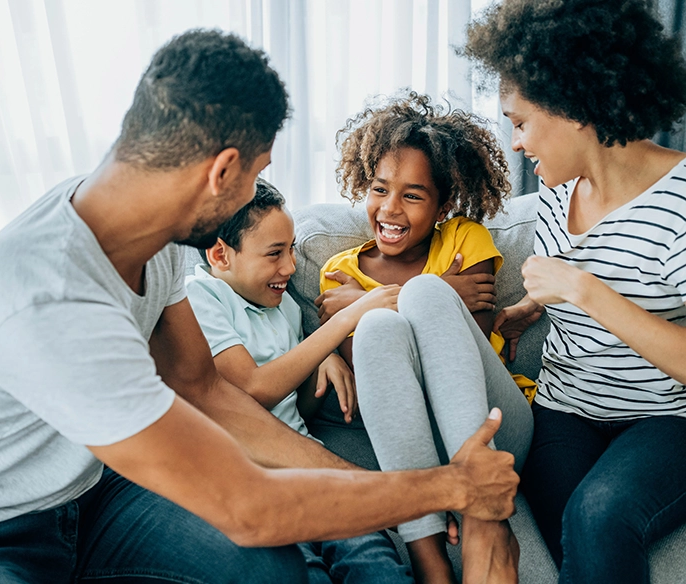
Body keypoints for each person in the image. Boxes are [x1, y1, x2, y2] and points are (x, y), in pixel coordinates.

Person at [0, 29, 520, 584]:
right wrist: (449, 487)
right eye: (256, 175)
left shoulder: (144, 238)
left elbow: (204, 390)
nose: (252, 193)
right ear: (223, 170)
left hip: (93, 491)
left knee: (273, 574)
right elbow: (248, 507)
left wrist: (364, 488)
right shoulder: (48, 298)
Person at [462, 1, 686, 582]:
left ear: (573, 106)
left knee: (599, 514)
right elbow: (589, 278)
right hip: (564, 411)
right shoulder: (557, 198)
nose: (514, 144)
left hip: (667, 420)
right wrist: (523, 310)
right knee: (580, 539)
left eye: (520, 121)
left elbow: (591, 285)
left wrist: (584, 290)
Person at [315, 93, 534, 584]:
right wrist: (400, 299)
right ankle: (428, 556)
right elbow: (377, 376)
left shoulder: (464, 239)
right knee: (377, 326)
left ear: (443, 204)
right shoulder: (338, 271)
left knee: (418, 299)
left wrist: (374, 298)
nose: (390, 209)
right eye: (379, 189)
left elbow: (467, 344)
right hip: (413, 443)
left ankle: (484, 521)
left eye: (413, 195)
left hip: (493, 426)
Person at [186, 178, 414, 583]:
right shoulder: (200, 298)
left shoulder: (285, 306)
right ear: (221, 255)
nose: (289, 267)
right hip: (253, 480)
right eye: (274, 254)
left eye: (290, 250)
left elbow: (299, 410)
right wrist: (342, 322)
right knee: (302, 570)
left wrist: (318, 364)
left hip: (309, 465)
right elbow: (252, 391)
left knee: (374, 559)